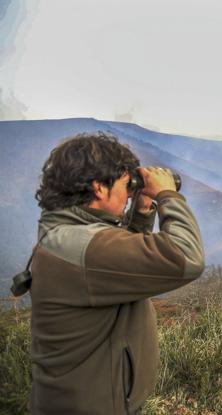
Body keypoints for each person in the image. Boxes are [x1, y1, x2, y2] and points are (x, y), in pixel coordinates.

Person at [29, 132, 205, 414]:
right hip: (93, 406)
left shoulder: (67, 235)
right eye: (126, 184)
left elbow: (118, 269)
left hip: (82, 399)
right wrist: (167, 195)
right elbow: (187, 257)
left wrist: (142, 210)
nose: (130, 192)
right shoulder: (86, 246)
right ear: (99, 187)